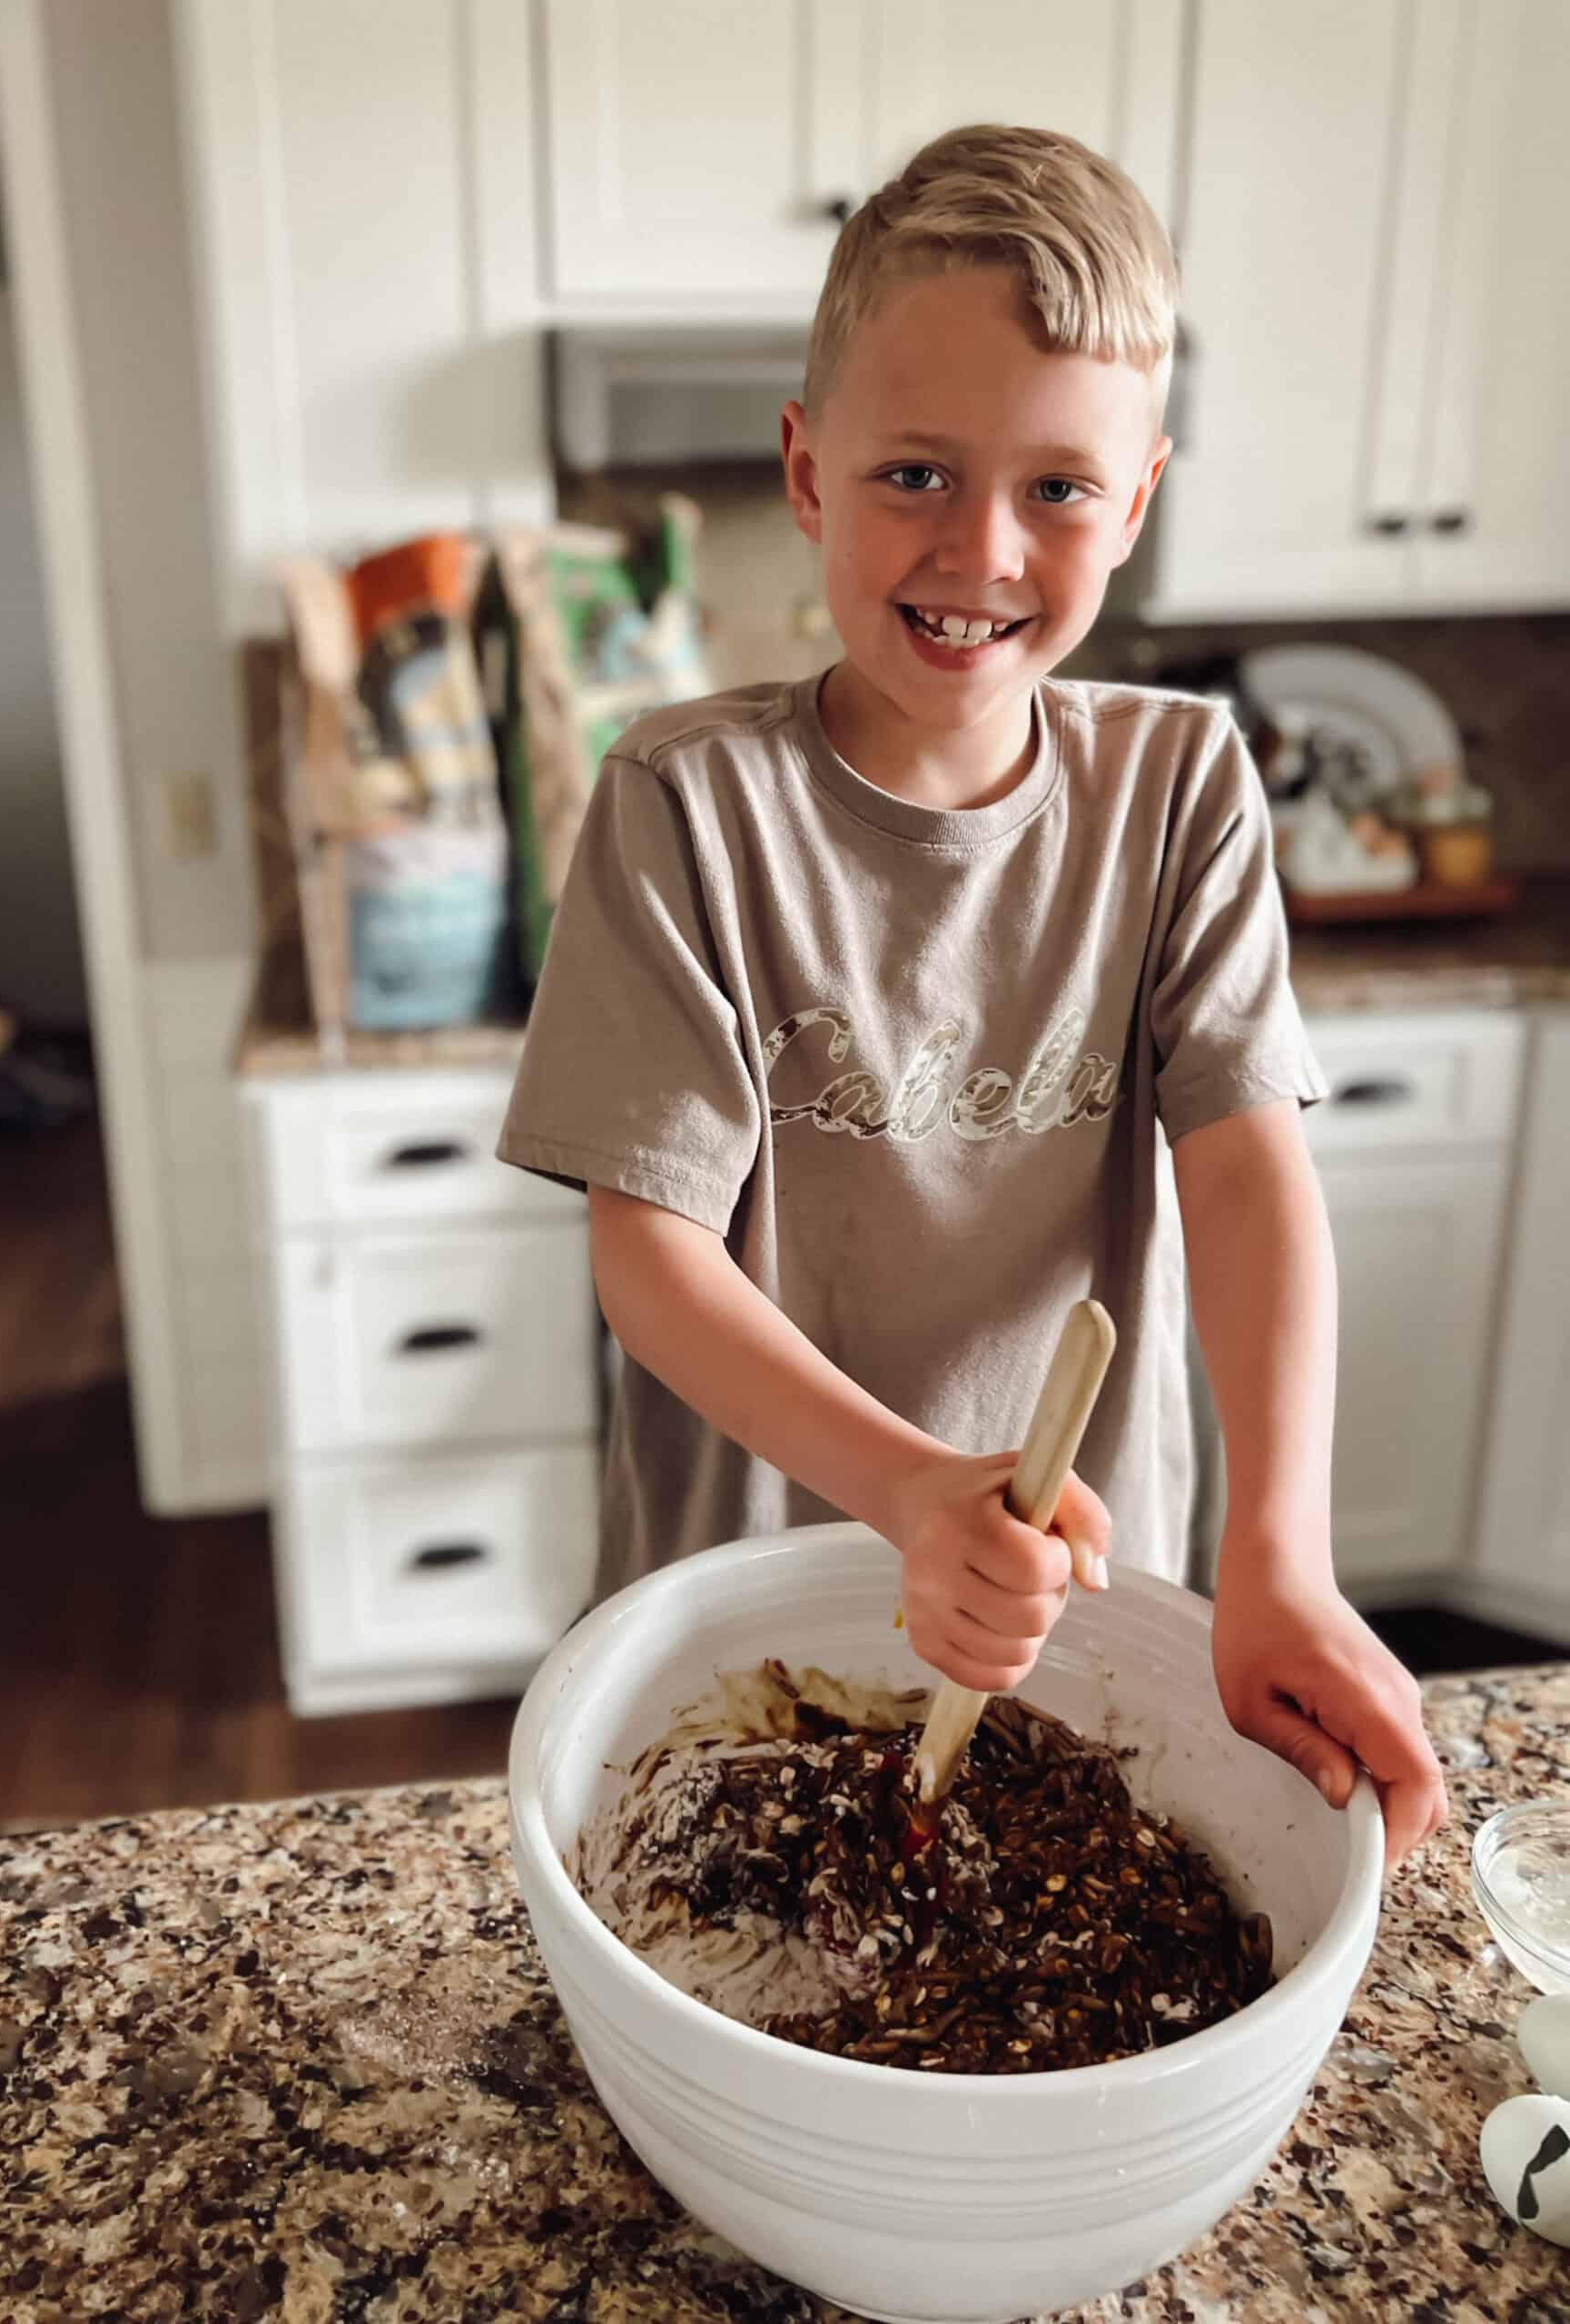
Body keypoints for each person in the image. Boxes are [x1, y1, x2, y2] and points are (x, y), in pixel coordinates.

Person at [498, 123, 1447, 1866]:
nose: (984, 551)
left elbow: (1245, 1173)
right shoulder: (683, 805)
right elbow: (651, 1254)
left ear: (1139, 500)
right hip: (755, 1602)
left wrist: (1281, 1560)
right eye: (914, 475)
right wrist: (914, 1492)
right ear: (805, 470)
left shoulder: (1182, 789)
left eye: (1059, 490)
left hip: (1087, 1609)